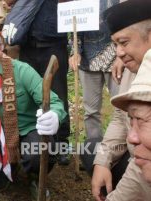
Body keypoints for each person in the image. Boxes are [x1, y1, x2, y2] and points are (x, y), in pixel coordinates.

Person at [0, 25, 66, 200]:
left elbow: (52, 101)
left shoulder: (21, 71)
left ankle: (34, 177)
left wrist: (53, 115)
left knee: (38, 152)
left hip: (24, 133)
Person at [82, 0, 151, 200]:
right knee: (92, 150)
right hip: (135, 160)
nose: (118, 53)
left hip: (141, 166)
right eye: (115, 44)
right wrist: (102, 162)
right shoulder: (132, 68)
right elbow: (121, 117)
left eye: (124, 43)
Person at [13, 0, 71, 165]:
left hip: (54, 45)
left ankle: (61, 144)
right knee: (29, 93)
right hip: (27, 46)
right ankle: (34, 138)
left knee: (59, 94)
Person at [69, 0, 120, 140]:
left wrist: (122, 55)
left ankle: (122, 148)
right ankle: (94, 149)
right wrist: (75, 51)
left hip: (116, 58)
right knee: (91, 112)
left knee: (122, 108)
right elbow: (76, 28)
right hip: (87, 60)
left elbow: (126, 25)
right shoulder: (81, 1)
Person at [108, 49, 151, 200]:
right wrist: (102, 159)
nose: (131, 137)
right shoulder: (141, 164)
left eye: (142, 120)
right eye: (132, 120)